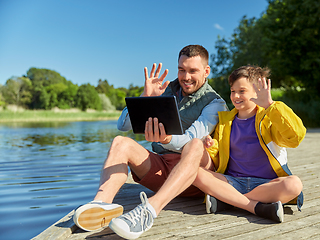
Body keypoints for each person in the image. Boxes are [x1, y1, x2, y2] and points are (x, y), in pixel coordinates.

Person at [72, 45, 228, 238]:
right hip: (162, 169)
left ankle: (149, 211)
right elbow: (123, 125)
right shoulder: (165, 89)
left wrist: (166, 138)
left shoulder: (215, 103)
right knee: (121, 142)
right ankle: (100, 205)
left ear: (206, 71)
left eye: (193, 71)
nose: (186, 77)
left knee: (195, 144)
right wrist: (145, 97)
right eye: (181, 70)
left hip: (196, 176)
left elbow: (191, 139)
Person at [192, 65, 305, 223]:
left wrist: (271, 105)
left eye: (242, 91)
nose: (235, 96)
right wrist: (211, 146)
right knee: (193, 172)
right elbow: (218, 158)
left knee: (294, 185)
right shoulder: (225, 122)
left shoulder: (270, 118)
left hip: (267, 184)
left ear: (257, 91)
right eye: (233, 91)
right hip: (233, 182)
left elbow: (295, 137)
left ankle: (228, 201)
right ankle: (254, 206)